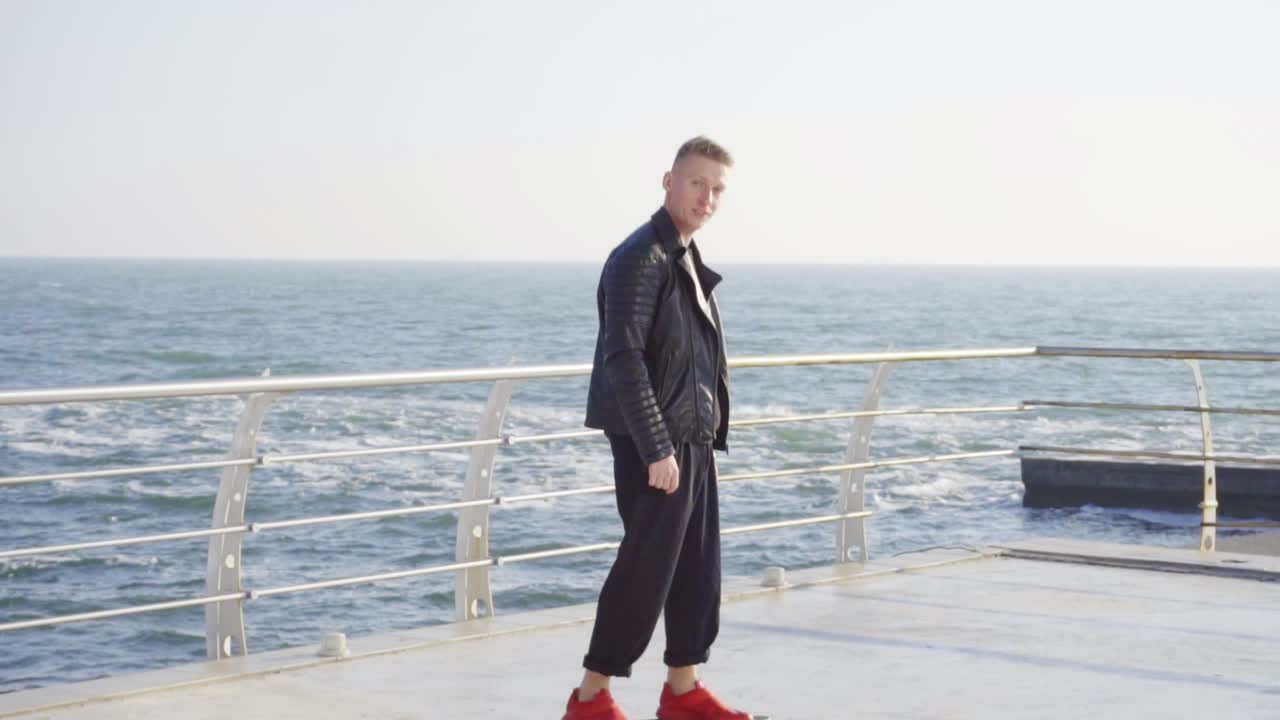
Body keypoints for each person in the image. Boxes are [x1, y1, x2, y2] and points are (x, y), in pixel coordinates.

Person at [565, 136, 753, 720]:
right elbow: (622, 359)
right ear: (668, 181)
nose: (707, 197)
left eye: (717, 189)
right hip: (657, 445)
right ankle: (590, 698)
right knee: (646, 568)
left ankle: (683, 690)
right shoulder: (638, 258)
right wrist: (656, 447)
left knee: (697, 566)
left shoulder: (686, 259)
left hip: (691, 438)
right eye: (697, 183)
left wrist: (699, 434)